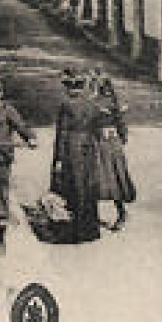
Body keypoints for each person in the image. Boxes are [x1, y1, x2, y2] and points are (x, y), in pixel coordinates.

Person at [0, 75, 37, 255]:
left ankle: (1, 240)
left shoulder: (8, 111)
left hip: (2, 159)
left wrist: (31, 138)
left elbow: (22, 127)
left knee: (1, 196)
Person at [51, 69, 104, 243]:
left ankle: (75, 232)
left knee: (73, 187)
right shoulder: (92, 104)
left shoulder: (66, 105)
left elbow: (62, 133)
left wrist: (58, 158)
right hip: (89, 148)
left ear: (69, 88)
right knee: (87, 187)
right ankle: (91, 230)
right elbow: (98, 130)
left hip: (72, 148)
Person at [92, 73, 137, 231]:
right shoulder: (94, 102)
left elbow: (119, 122)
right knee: (100, 178)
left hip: (108, 144)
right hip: (103, 143)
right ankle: (96, 216)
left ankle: (121, 213)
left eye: (99, 85)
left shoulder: (107, 102)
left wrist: (118, 137)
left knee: (113, 178)